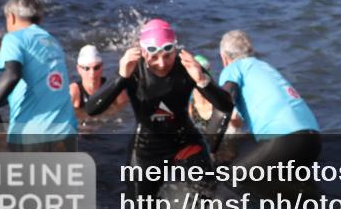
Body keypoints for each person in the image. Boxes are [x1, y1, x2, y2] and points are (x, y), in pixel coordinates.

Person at [85, 19, 233, 198]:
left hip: (183, 141)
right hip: (147, 147)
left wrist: (202, 80)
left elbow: (225, 106)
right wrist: (121, 77)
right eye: (154, 57)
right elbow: (92, 109)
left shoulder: (186, 65)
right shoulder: (133, 68)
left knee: (207, 198)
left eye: (167, 56)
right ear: (143, 51)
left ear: (175, 50)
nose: (161, 63)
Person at [0, 0, 77, 151]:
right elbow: (32, 86)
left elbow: (11, 76)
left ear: (11, 17)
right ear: (40, 18)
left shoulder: (14, 38)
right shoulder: (52, 42)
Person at [207, 30, 320, 170]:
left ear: (223, 58)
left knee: (229, 179)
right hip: (313, 139)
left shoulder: (234, 68)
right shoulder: (265, 68)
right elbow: (236, 120)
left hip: (285, 140)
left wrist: (208, 150)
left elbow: (224, 106)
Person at [71, 44, 127, 111]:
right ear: (78, 69)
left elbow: (126, 114)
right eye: (86, 68)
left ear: (102, 67)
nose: (92, 73)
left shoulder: (114, 89)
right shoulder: (73, 92)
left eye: (96, 68)